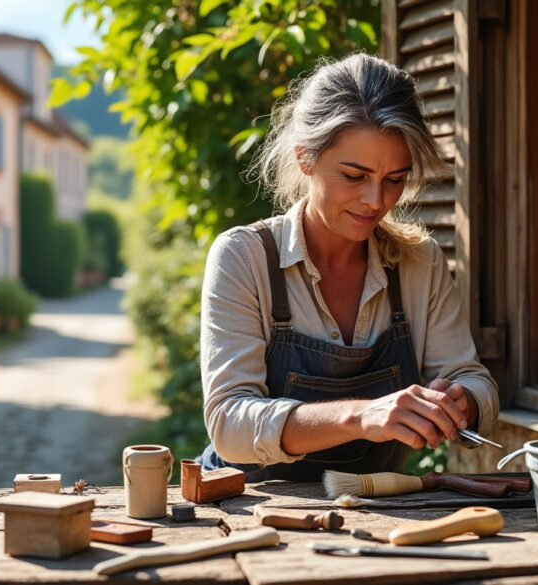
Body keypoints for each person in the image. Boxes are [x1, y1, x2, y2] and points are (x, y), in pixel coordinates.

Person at [194, 52, 499, 483]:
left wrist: (459, 400)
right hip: (247, 507)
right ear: (306, 159)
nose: (376, 200)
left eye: (395, 179)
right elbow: (229, 423)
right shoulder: (244, 257)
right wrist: (360, 416)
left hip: (376, 508)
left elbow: (474, 380)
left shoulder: (419, 262)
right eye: (355, 176)